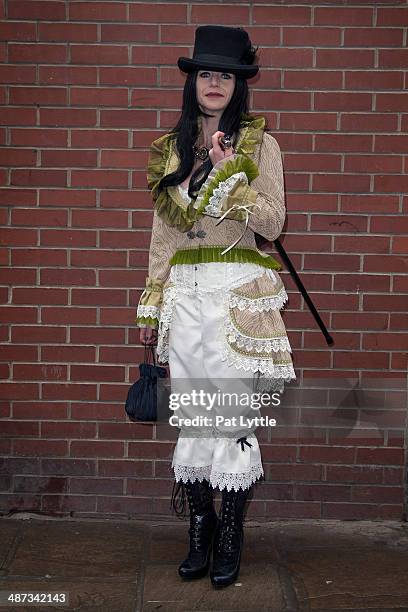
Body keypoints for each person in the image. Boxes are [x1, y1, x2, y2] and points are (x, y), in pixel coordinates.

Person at [136, 25, 296, 588]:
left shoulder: (260, 144)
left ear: (238, 85)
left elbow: (273, 223)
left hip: (238, 294)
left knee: (231, 419)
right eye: (205, 73)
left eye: (225, 75)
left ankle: (231, 534)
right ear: (192, 82)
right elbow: (163, 237)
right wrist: (152, 307)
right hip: (185, 294)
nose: (214, 83)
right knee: (197, 418)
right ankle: (200, 529)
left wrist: (230, 172)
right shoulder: (170, 149)